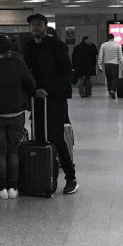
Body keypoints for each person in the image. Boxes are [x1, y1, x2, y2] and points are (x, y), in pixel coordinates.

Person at [23, 14, 77, 195]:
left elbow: (66, 72)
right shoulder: (29, 47)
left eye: (38, 24)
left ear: (46, 26)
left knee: (56, 137)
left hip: (55, 98)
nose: (35, 27)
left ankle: (71, 178)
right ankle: (43, 176)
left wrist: (47, 89)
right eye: (32, 25)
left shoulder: (56, 45)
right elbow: (28, 72)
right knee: (38, 138)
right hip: (37, 99)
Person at [0, 34, 36, 199]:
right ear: (9, 51)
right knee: (13, 151)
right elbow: (32, 84)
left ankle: (1, 188)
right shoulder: (18, 65)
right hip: (17, 113)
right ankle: (14, 188)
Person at [98, 33, 123, 99]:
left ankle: (110, 91)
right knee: (114, 78)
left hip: (107, 64)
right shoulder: (117, 45)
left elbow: (100, 56)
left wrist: (100, 66)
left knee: (108, 78)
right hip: (115, 64)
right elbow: (120, 56)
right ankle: (112, 90)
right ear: (113, 38)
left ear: (107, 38)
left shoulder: (103, 45)